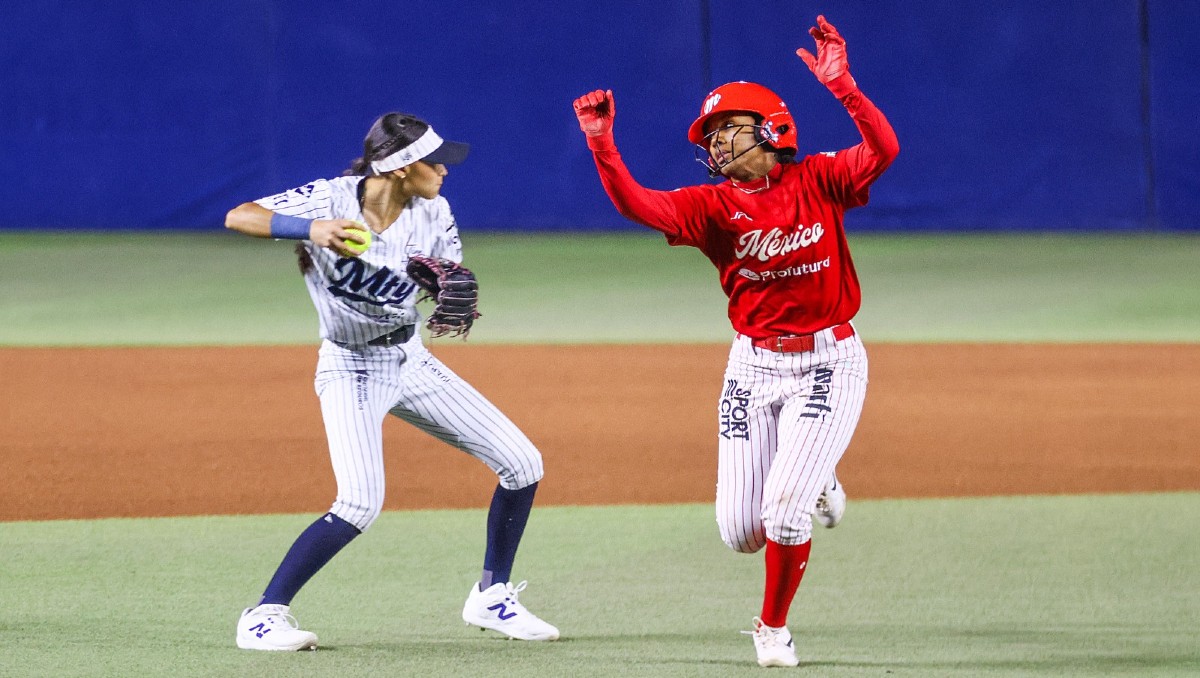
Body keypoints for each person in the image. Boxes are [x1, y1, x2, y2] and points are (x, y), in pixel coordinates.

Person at [572, 15, 898, 668]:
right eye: (710, 135)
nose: (716, 143)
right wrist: (603, 145)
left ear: (774, 129)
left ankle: (772, 628)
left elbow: (883, 150)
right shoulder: (712, 207)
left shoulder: (820, 180)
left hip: (828, 360)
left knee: (783, 514)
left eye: (728, 128)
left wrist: (845, 86)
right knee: (739, 533)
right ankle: (819, 469)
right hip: (751, 367)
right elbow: (638, 204)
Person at [224, 112, 559, 650]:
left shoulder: (434, 211)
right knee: (358, 502)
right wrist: (312, 228)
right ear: (403, 166)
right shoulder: (331, 198)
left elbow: (446, 274)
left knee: (523, 463)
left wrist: (442, 285)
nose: (446, 171)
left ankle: (491, 595)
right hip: (351, 366)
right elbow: (239, 216)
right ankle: (263, 615)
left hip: (410, 358)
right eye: (437, 161)